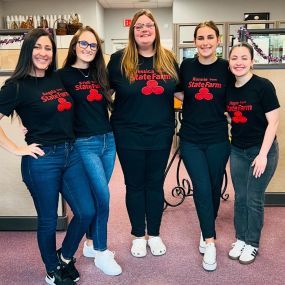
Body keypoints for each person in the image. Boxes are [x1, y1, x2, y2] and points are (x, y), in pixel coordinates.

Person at [0, 28, 95, 285]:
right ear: (28, 50)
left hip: (70, 153)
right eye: (38, 47)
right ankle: (52, 270)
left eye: (48, 48)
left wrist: (24, 118)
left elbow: (53, 108)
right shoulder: (15, 87)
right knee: (49, 220)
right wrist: (18, 148)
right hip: (42, 161)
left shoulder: (57, 78)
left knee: (87, 211)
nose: (43, 53)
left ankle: (64, 257)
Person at [107, 9, 179, 257]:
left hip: (161, 133)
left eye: (149, 25)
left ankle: (155, 234)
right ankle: (139, 234)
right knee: (135, 185)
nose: (144, 29)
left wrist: (217, 106)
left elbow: (182, 93)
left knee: (155, 185)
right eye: (139, 26)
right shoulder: (118, 60)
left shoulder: (168, 60)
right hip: (128, 134)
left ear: (156, 30)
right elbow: (100, 95)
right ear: (132, 31)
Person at [57, 26, 122, 276]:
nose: (88, 49)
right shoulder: (62, 76)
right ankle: (102, 252)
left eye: (93, 46)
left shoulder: (99, 74)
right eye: (84, 44)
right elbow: (46, 102)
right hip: (84, 144)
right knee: (104, 198)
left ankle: (91, 244)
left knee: (97, 196)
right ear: (74, 45)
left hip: (108, 141)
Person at [176, 21, 232, 271]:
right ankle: (210, 241)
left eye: (210, 37)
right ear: (195, 41)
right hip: (190, 138)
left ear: (218, 41)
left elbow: (236, 95)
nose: (205, 42)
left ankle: (205, 226)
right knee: (200, 186)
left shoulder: (226, 68)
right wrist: (195, 99)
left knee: (213, 186)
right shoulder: (186, 65)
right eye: (200, 38)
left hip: (218, 138)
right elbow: (177, 91)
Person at [226, 42, 279, 264]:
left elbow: (273, 122)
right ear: (229, 62)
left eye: (244, 58)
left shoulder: (263, 86)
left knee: (253, 198)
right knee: (240, 197)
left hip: (262, 150)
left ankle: (252, 243)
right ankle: (240, 239)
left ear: (252, 62)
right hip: (237, 150)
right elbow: (229, 115)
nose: (239, 62)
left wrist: (263, 155)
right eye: (234, 58)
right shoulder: (229, 87)